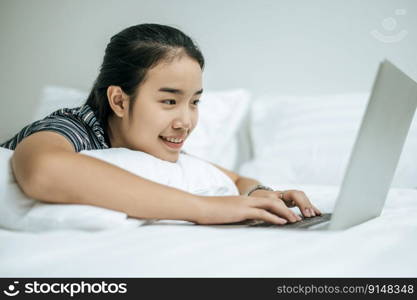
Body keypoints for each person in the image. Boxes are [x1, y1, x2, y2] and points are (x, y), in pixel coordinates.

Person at [1, 23, 321, 225]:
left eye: (194, 102)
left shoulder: (145, 145)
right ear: (119, 101)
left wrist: (263, 193)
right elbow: (43, 171)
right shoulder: (70, 128)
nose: (186, 122)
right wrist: (207, 209)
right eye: (169, 101)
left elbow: (237, 179)